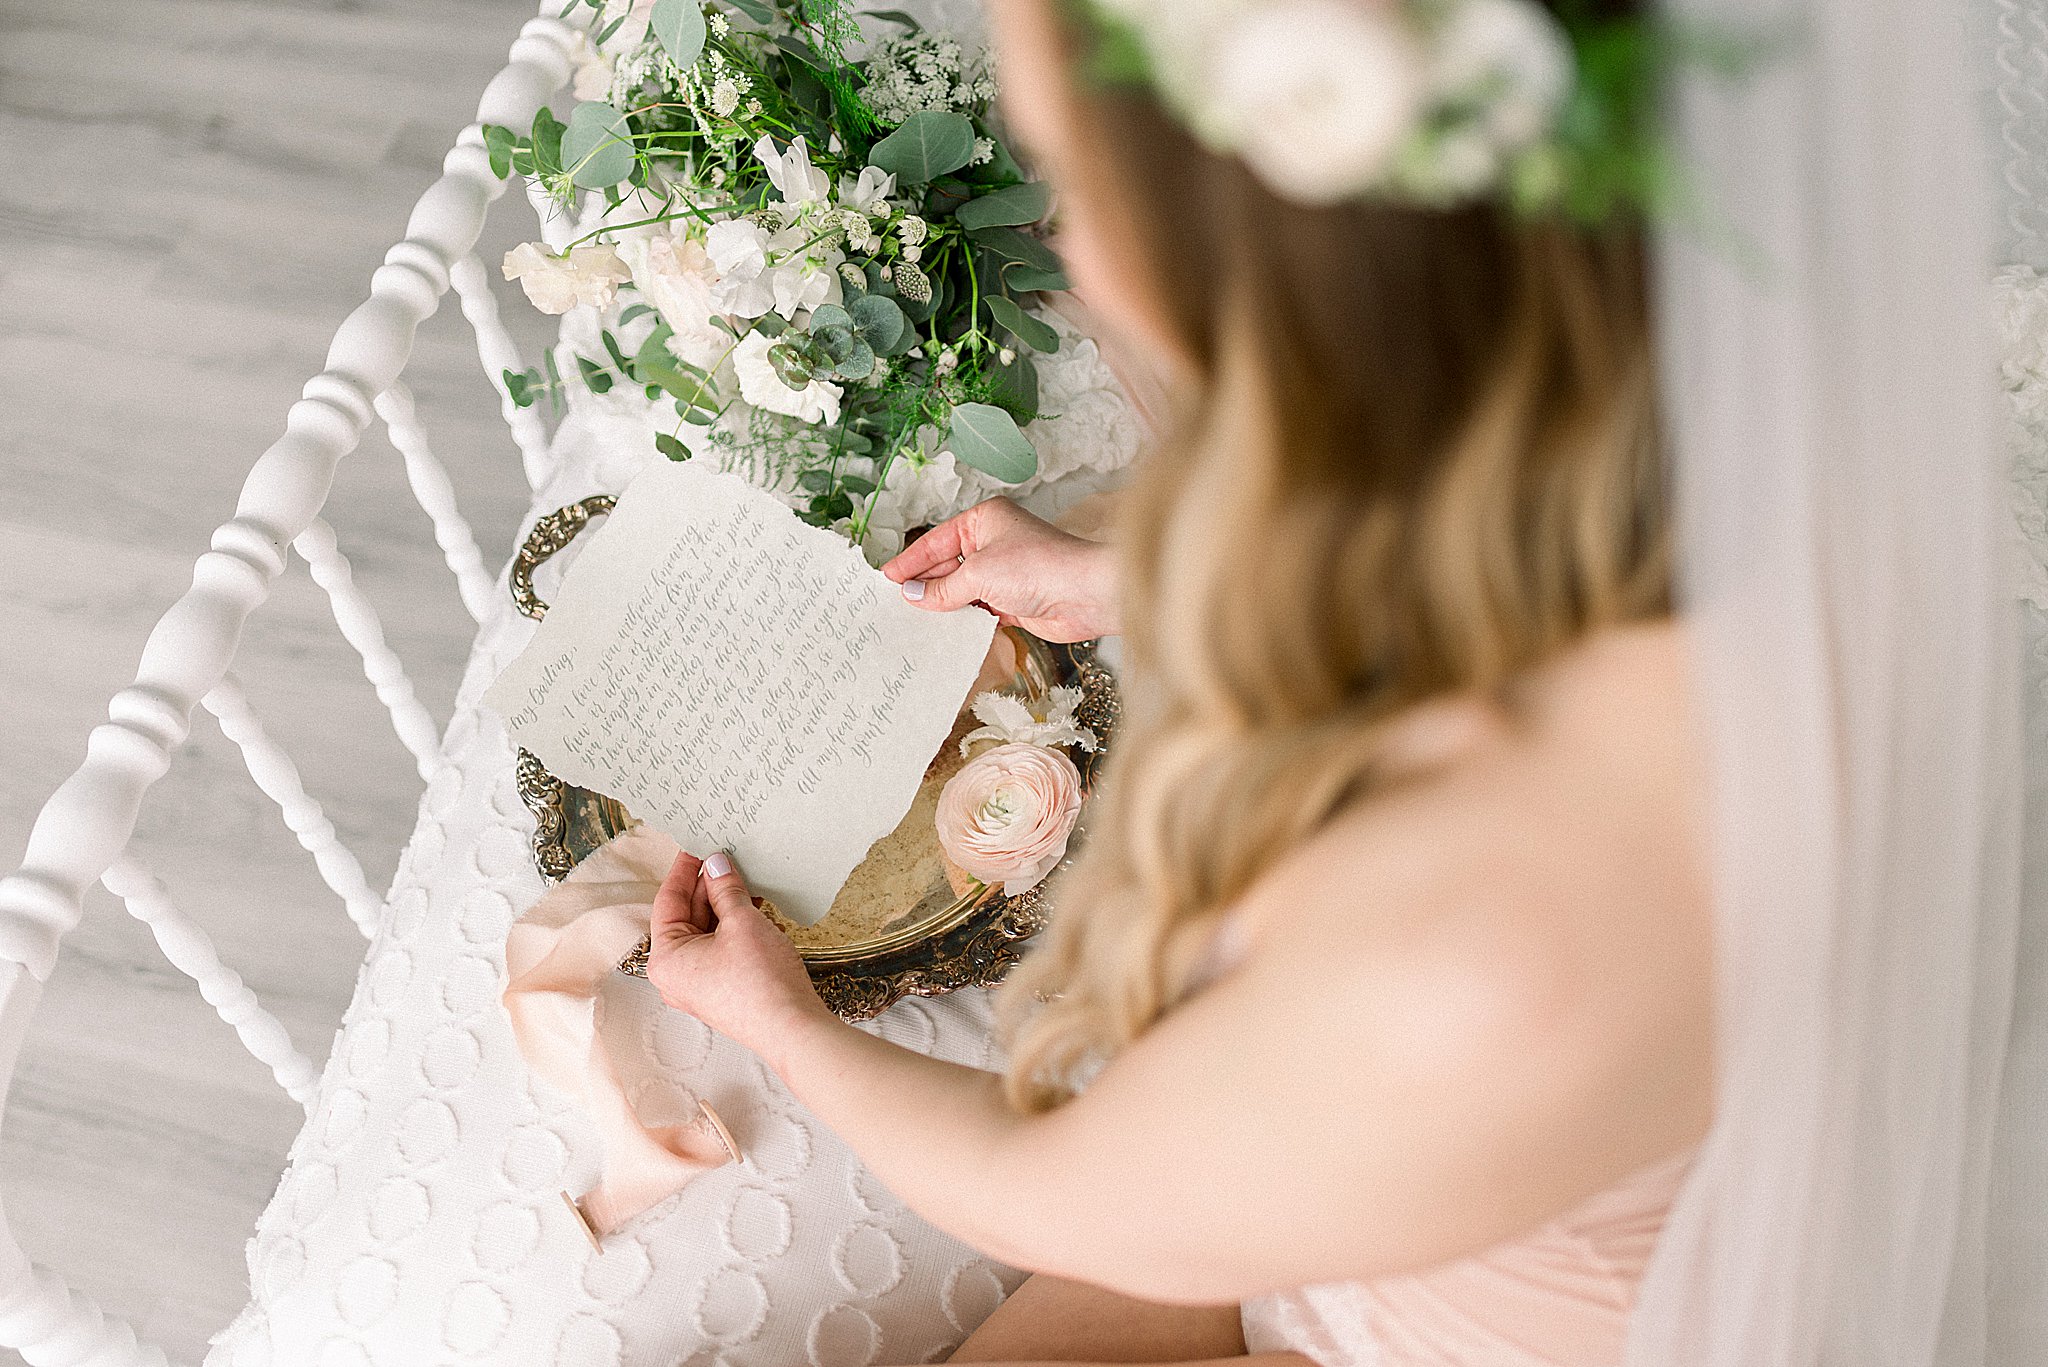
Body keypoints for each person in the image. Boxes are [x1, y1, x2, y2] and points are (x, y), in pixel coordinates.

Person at [645, 0, 1714, 1361]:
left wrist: (777, 1027)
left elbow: (1058, 1191)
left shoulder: (1478, 952)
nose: (1072, 240)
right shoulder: (1667, 454)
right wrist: (1118, 583)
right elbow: (1447, 585)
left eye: (1076, 182)